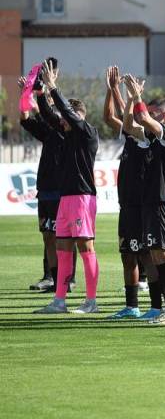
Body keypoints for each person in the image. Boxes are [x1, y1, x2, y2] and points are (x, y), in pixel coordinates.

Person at [33, 59, 100, 315]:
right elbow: (50, 116)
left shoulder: (87, 132)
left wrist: (53, 87)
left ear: (77, 115)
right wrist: (41, 93)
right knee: (62, 249)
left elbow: (65, 113)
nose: (61, 121)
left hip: (83, 198)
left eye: (66, 117)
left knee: (86, 248)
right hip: (65, 198)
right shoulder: (66, 133)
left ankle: (91, 302)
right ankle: (59, 301)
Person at [123, 75, 165, 325]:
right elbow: (130, 125)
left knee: (164, 255)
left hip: (162, 202)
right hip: (150, 203)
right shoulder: (151, 140)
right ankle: (163, 309)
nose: (150, 114)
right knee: (157, 256)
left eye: (155, 112)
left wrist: (137, 96)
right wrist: (131, 99)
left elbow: (142, 117)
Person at [101, 66, 152, 319]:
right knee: (127, 256)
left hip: (142, 206)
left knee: (146, 255)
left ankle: (158, 306)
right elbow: (111, 116)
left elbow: (127, 115)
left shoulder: (145, 137)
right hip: (127, 207)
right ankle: (132, 307)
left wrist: (130, 96)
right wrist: (113, 90)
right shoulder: (130, 136)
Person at [18, 76, 75, 294]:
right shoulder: (49, 132)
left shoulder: (69, 132)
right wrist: (24, 95)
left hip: (64, 192)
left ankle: (68, 279)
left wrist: (41, 97)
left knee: (65, 237)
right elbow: (24, 119)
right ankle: (53, 278)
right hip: (45, 191)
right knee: (48, 235)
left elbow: (45, 113)